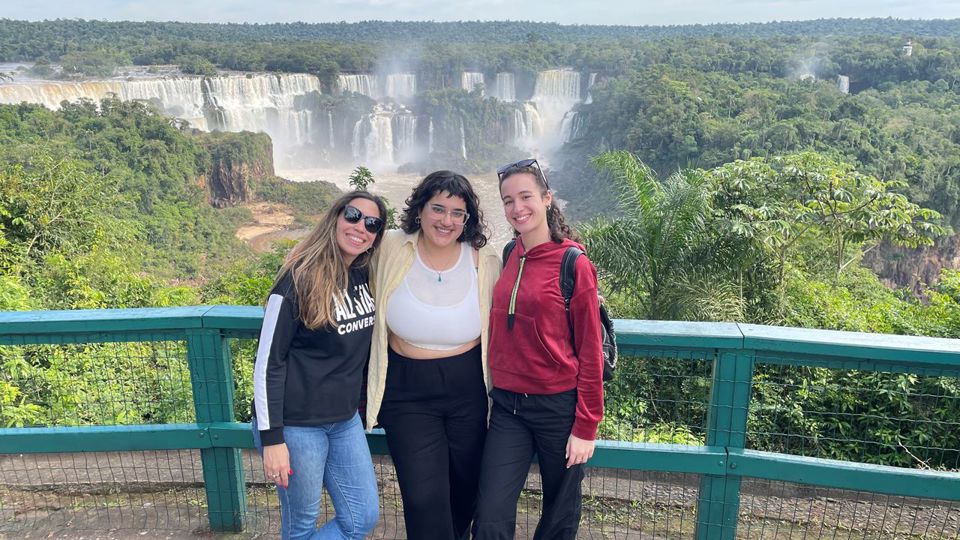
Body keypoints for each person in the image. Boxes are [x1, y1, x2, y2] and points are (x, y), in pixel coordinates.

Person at [472, 159, 604, 540]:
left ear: (547, 198)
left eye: (526, 196)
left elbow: (591, 352)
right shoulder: (511, 252)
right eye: (508, 200)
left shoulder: (573, 263)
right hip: (508, 407)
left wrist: (586, 426)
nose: (517, 208)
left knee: (559, 515)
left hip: (558, 408)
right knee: (490, 513)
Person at [366, 171, 501, 540]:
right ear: (420, 210)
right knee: (423, 495)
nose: (447, 220)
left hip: (469, 388)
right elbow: (342, 253)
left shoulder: (483, 258)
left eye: (458, 213)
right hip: (407, 390)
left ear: (467, 219)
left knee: (465, 487)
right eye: (438, 209)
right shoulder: (392, 247)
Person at [251, 191, 387, 540]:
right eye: (353, 216)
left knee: (362, 517)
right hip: (296, 427)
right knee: (301, 525)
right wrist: (272, 440)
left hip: (344, 421)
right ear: (336, 216)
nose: (361, 227)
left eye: (372, 224)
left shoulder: (363, 273)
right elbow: (268, 361)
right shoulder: (297, 278)